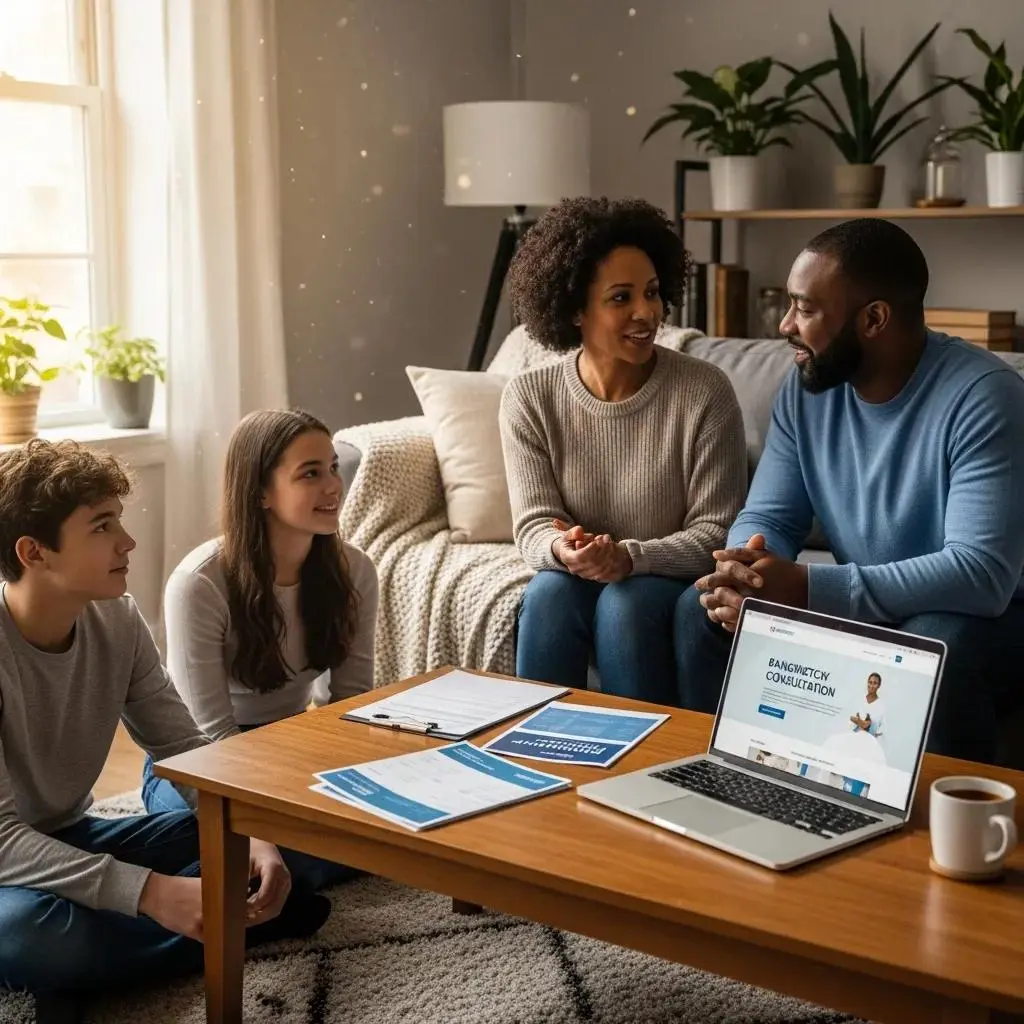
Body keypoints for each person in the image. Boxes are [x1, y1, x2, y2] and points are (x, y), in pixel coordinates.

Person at [0, 440, 330, 1022]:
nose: (127, 541)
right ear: (34, 553)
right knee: (34, 935)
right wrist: (149, 892)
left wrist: (253, 836)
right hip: (8, 866)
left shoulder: (118, 618)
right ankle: (212, 923)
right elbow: (3, 843)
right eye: (102, 526)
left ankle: (118, 954)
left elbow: (182, 749)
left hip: (74, 836)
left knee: (286, 836)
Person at [675, 218, 1024, 763]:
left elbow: (981, 575)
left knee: (930, 644)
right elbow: (771, 514)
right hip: (876, 601)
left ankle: (928, 840)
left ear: (874, 318)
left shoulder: (985, 398)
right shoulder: (808, 389)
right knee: (702, 611)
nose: (786, 325)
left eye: (806, 308)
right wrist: (745, 571)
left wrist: (808, 589)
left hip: (988, 615)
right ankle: (730, 786)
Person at [499, 196, 748, 703]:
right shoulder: (530, 396)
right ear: (573, 308)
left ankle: (642, 769)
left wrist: (630, 560)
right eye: (621, 298)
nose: (646, 312)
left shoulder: (705, 392)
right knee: (547, 593)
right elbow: (532, 524)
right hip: (582, 575)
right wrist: (563, 549)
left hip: (666, 579)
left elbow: (717, 533)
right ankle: (536, 757)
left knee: (625, 603)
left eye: (653, 293)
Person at [141, 409, 378, 892]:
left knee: (372, 832)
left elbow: (351, 705)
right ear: (259, 492)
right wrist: (259, 825)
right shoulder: (200, 583)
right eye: (310, 473)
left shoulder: (355, 570)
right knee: (242, 840)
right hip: (197, 762)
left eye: (333, 467)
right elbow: (206, 734)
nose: (333, 485)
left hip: (293, 744)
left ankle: (252, 870)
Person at [850, 673, 886, 738]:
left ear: (879, 685)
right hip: (855, 736)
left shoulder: (880, 705)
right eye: (870, 682)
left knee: (871, 723)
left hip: (868, 738)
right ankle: (863, 723)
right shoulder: (860, 699)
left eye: (875, 683)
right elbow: (851, 718)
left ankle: (864, 723)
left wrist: (867, 725)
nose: (872, 686)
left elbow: (880, 728)